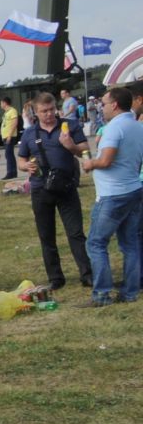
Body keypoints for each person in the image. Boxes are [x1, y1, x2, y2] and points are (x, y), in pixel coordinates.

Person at [17, 92, 96, 293]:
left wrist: (71, 146)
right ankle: (55, 278)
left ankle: (87, 275)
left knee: (76, 233)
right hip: (40, 190)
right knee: (46, 236)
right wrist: (26, 167)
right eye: (44, 111)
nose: (49, 114)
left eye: (52, 109)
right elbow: (21, 160)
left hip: (66, 188)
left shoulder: (69, 126)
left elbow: (85, 150)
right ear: (36, 112)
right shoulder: (29, 134)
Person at [83, 86, 143, 307]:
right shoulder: (138, 127)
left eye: (105, 104)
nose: (102, 108)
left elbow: (106, 160)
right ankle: (130, 293)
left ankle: (102, 294)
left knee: (96, 243)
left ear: (115, 105)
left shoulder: (114, 128)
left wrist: (91, 163)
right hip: (133, 190)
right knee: (130, 244)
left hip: (113, 195)